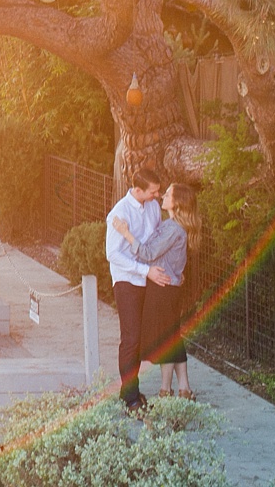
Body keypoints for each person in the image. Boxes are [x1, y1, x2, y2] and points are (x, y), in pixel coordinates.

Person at [112, 182, 200, 400]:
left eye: (168, 194)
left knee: (165, 339)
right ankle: (184, 388)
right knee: (173, 336)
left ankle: (165, 390)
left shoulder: (173, 228)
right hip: (170, 287)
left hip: (163, 289)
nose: (162, 196)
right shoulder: (174, 225)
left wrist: (125, 232)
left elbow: (148, 253)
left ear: (177, 203)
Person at [105, 166, 166, 410]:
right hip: (127, 280)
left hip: (148, 279)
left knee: (141, 339)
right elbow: (112, 254)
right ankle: (130, 398)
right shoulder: (119, 213)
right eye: (153, 192)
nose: (157, 196)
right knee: (130, 339)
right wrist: (144, 271)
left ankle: (129, 391)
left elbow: (155, 240)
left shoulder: (152, 206)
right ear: (138, 190)